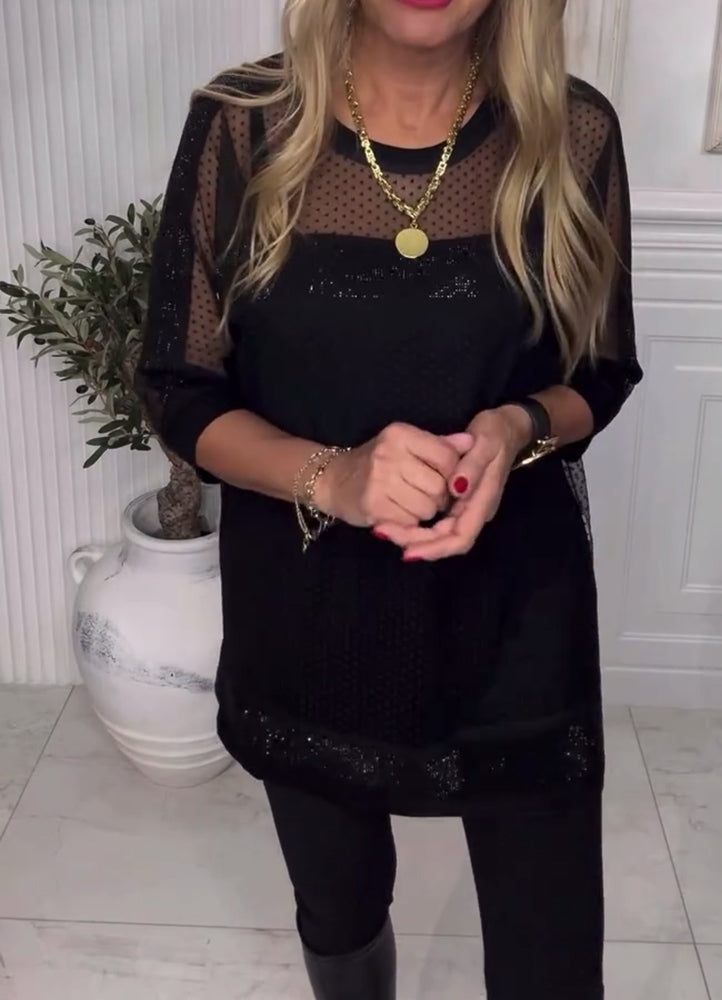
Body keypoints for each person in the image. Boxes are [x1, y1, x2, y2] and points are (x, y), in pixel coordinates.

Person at [135, 0, 642, 996]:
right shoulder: (242, 126)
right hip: (310, 615)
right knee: (341, 910)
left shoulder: (571, 130)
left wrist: (516, 427)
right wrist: (333, 477)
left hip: (514, 619)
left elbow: (601, 372)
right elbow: (179, 388)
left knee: (549, 949)